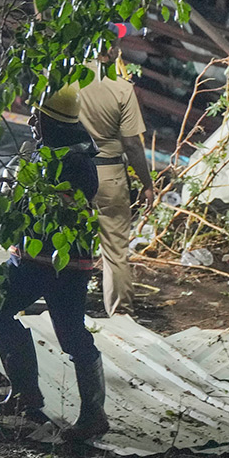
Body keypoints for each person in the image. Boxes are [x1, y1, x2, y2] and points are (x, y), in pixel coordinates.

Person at [0, 84, 108, 442]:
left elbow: (51, 208)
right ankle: (25, 396)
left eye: (39, 115)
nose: (32, 120)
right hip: (30, 260)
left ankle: (94, 415)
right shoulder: (42, 153)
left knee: (72, 336)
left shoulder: (78, 164)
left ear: (54, 122)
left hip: (64, 267)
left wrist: (20, 194)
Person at [78, 56, 154, 316]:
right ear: (109, 51)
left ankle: (68, 309)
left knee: (69, 246)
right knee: (114, 252)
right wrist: (147, 184)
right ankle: (120, 315)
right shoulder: (120, 87)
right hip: (108, 174)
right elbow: (132, 144)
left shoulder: (61, 80)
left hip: (69, 173)